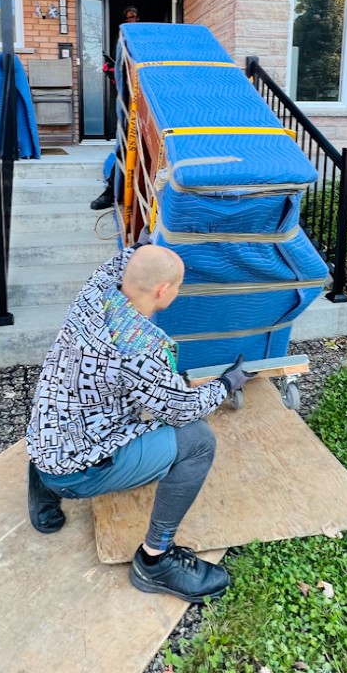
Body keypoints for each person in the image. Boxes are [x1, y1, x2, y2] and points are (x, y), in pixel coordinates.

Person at [26, 243, 256, 601]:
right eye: (178, 285)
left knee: (68, 408)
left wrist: (169, 230)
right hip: (78, 470)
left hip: (47, 435)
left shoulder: (96, 289)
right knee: (198, 442)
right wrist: (226, 383)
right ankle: (156, 560)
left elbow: (128, 256)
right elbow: (181, 410)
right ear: (164, 290)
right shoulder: (139, 350)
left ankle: (43, 483)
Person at [90, 6, 141, 210]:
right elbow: (121, 75)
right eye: (128, 17)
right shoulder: (122, 43)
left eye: (134, 17)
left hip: (150, 102)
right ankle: (112, 190)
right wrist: (113, 74)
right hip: (130, 100)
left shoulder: (145, 41)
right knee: (124, 148)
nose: (132, 20)